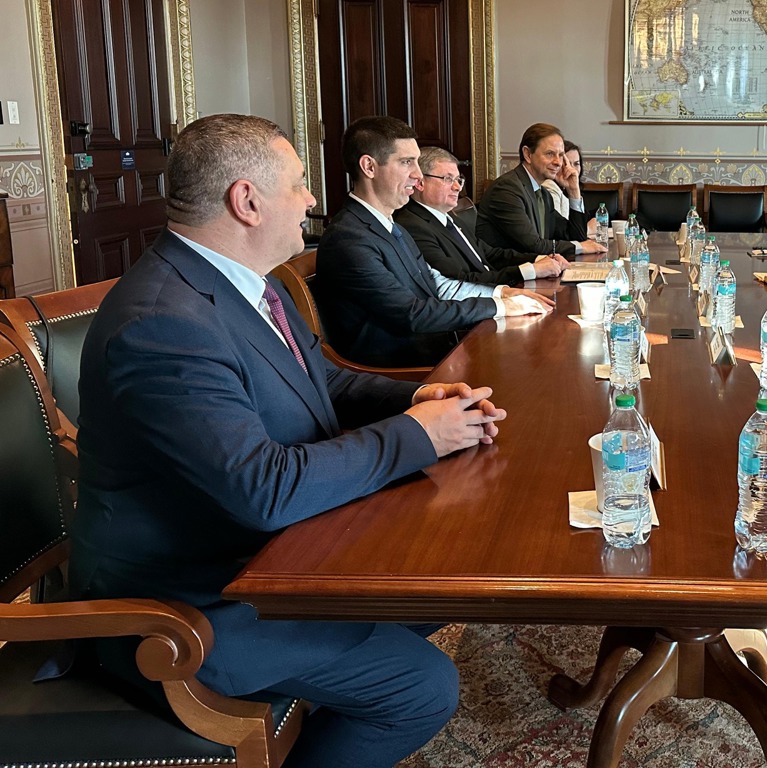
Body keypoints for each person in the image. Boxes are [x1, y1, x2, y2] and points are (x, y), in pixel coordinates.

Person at [70, 113, 507, 768]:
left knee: (434, 585)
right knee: (423, 687)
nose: (311, 200)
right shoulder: (162, 323)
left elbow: (322, 378)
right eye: (299, 184)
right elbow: (262, 490)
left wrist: (415, 399)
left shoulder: (249, 280)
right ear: (247, 201)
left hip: (269, 559)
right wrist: (417, 436)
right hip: (189, 605)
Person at [315, 117, 553, 367]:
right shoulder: (348, 239)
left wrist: (503, 294)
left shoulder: (390, 226)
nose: (418, 175)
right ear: (369, 167)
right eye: (406, 162)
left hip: (437, 350)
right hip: (405, 369)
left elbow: (437, 285)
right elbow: (412, 313)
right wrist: (498, 307)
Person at [396, 147, 567, 287]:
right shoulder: (413, 226)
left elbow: (490, 254)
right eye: (448, 179)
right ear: (420, 183)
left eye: (458, 179)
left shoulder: (449, 218)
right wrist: (530, 271)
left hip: (498, 290)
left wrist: (539, 259)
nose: (457, 187)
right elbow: (459, 281)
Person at [477, 123, 605, 257]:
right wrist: (579, 247)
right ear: (528, 154)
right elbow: (534, 245)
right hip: (507, 269)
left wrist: (573, 191)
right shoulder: (506, 189)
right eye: (550, 154)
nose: (558, 162)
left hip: (539, 266)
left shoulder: (543, 194)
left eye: (561, 155)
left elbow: (574, 236)